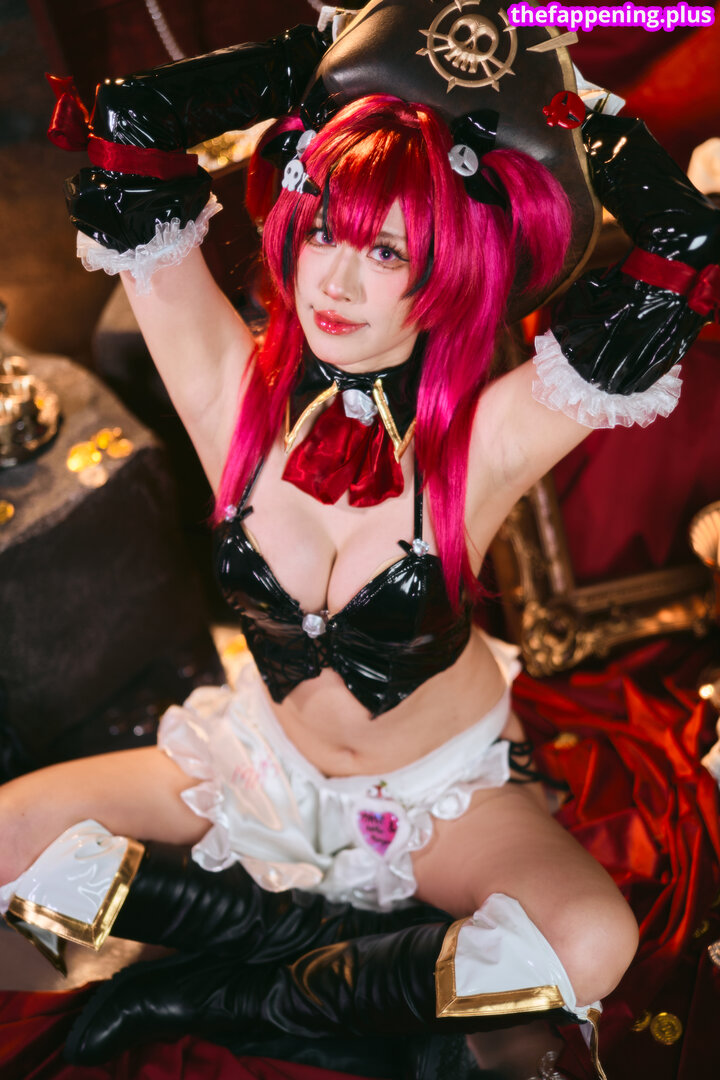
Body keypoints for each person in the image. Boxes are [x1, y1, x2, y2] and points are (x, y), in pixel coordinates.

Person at [1, 2, 718, 1075]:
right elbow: (133, 125)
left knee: (591, 942)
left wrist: (574, 106)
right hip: (258, 768)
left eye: (386, 249)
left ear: (450, 269)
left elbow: (686, 245)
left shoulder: (487, 439)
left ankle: (221, 979)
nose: (333, 281)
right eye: (324, 229)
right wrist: (324, 62)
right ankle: (292, 941)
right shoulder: (225, 391)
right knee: (5, 834)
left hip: (437, 800)